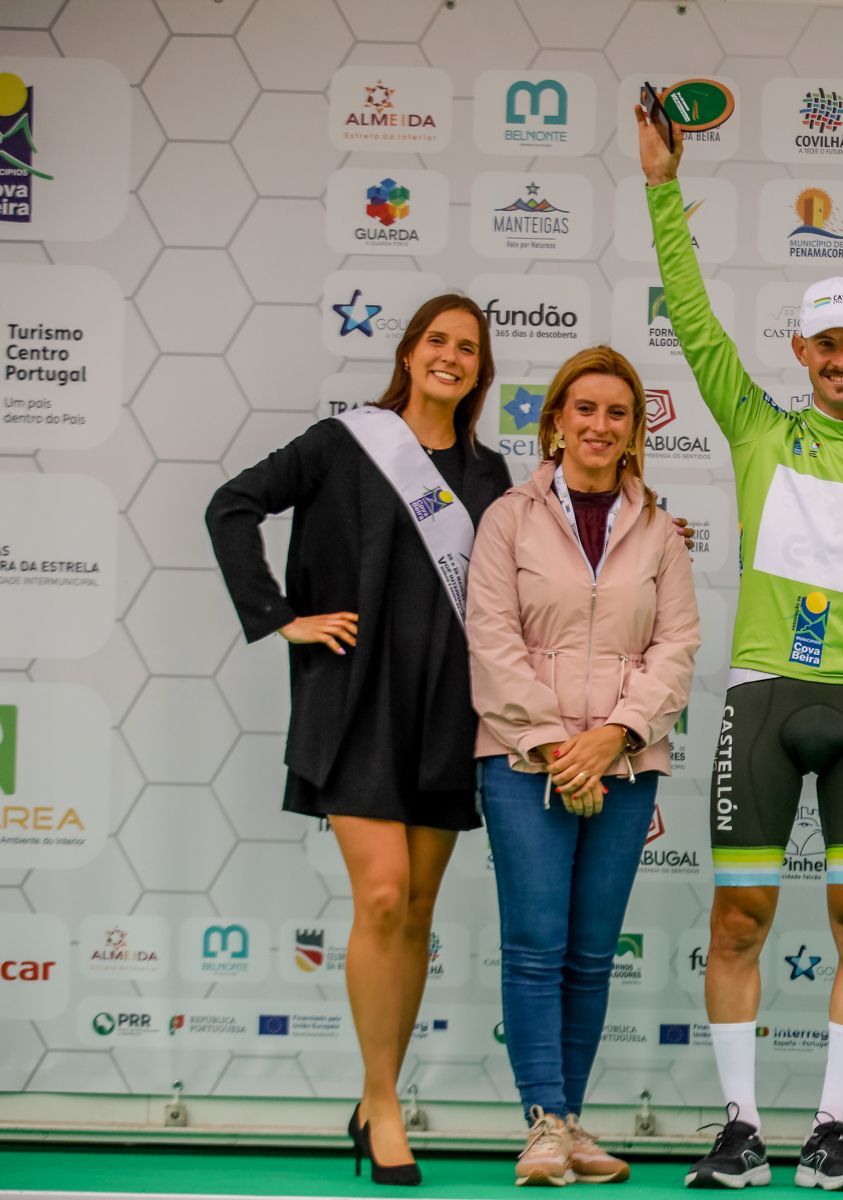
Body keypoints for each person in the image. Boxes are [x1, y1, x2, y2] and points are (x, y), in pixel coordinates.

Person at [636, 105, 843, 1192]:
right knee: (739, 917)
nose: (839, 360)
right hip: (764, 700)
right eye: (823, 344)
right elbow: (691, 318)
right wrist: (661, 187)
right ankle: (739, 1126)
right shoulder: (758, 430)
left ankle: (829, 1129)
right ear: (801, 352)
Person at [206, 295, 512, 1186]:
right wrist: (280, 618)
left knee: (415, 911)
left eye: (468, 348)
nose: (451, 356)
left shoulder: (491, 475)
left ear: (480, 369)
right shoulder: (346, 443)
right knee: (380, 898)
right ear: (410, 353)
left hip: (446, 711)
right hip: (355, 702)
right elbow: (232, 506)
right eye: (437, 341)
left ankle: (378, 1095)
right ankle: (383, 1102)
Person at [468, 344, 701, 1186]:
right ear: (555, 422)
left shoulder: (660, 531)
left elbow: (676, 646)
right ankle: (543, 1122)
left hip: (625, 767)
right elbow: (491, 638)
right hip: (522, 761)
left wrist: (616, 736)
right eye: (585, 409)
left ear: (635, 431)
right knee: (536, 946)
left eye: (617, 413)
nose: (600, 425)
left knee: (592, 953)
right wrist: (552, 744)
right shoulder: (508, 519)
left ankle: (568, 1121)